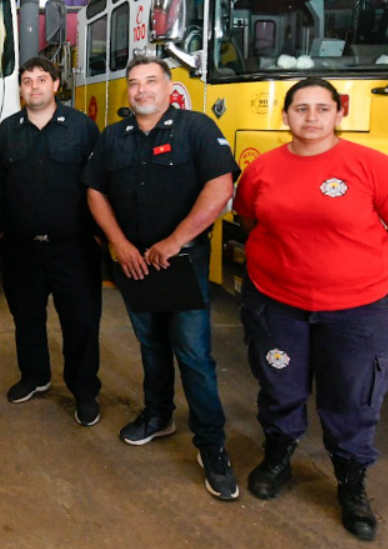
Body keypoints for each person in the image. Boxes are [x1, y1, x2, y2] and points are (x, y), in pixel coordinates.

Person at [234, 78, 388, 540]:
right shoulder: (262, 170)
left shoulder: (371, 165)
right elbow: (250, 219)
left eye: (323, 108)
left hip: (360, 311)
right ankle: (278, 456)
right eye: (301, 108)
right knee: (279, 386)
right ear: (286, 116)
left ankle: (351, 482)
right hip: (278, 306)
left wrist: (354, 267)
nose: (312, 117)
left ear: (341, 114)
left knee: (354, 399)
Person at [83, 55, 241, 500]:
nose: (140, 90)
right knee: (150, 345)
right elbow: (95, 191)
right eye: (133, 83)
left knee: (193, 355)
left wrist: (176, 240)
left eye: (150, 81)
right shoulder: (114, 137)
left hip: (181, 263)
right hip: (133, 264)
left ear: (169, 87)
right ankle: (158, 415)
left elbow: (221, 186)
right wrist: (118, 244)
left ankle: (212, 445)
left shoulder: (196, 128)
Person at [0, 57, 103, 426]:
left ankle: (84, 391)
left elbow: (99, 185)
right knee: (26, 318)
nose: (34, 86)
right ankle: (35, 376)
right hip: (22, 247)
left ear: (57, 85)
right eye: (27, 80)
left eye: (42, 79)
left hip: (73, 247)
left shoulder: (82, 128)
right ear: (20, 88)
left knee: (80, 323)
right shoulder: (7, 131)